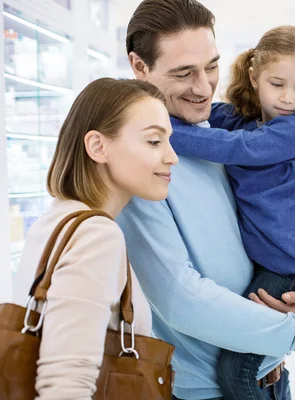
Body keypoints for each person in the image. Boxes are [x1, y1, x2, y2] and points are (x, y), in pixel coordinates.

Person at [117, 1, 295, 399]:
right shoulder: (139, 161)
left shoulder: (216, 131)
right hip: (211, 388)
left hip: (271, 373)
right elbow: (182, 298)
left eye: (211, 66)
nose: (202, 87)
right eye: (183, 73)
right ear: (140, 67)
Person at [168, 25, 295, 400]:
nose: (287, 98)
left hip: (288, 267)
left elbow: (237, 149)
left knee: (238, 370)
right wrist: (149, 111)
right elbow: (204, 116)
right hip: (265, 264)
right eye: (277, 84)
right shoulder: (244, 120)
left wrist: (159, 130)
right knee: (251, 362)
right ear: (254, 76)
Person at [11, 78, 178, 399]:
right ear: (98, 146)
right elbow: (64, 387)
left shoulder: (57, 219)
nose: (172, 157)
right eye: (155, 141)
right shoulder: (96, 235)